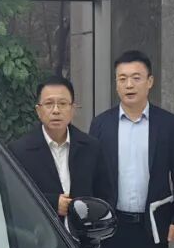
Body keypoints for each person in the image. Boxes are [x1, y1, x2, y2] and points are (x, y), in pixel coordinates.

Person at [89, 50, 174, 248]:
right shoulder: (101, 124)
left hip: (153, 223)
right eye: (122, 78)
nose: (129, 85)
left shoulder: (167, 123)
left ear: (150, 81)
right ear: (116, 84)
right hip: (112, 224)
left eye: (136, 78)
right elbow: (92, 173)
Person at [9, 76, 115, 223]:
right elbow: (15, 198)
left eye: (62, 104)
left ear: (73, 109)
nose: (56, 110)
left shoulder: (91, 148)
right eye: (49, 104)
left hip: (83, 234)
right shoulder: (20, 151)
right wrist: (52, 204)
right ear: (38, 110)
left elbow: (105, 198)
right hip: (41, 233)